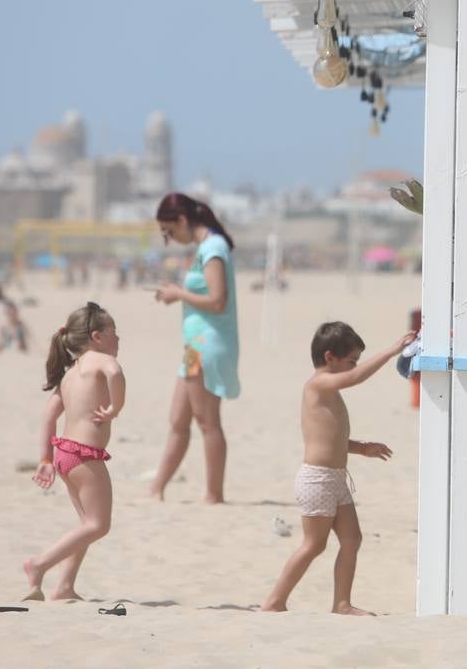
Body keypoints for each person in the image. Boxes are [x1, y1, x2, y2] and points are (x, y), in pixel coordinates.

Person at [262, 321, 414, 613]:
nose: (353, 366)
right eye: (350, 361)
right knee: (314, 545)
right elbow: (356, 377)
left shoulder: (331, 391)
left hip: (336, 479)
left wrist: (362, 448)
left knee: (352, 539)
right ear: (330, 357)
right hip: (316, 480)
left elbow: (332, 438)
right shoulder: (318, 384)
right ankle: (274, 601)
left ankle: (342, 603)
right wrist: (394, 349)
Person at [22, 302, 124, 601]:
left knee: (86, 525)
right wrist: (116, 408)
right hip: (84, 456)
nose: (118, 339)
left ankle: (65, 586)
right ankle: (38, 565)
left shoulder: (69, 374)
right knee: (98, 525)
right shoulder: (100, 361)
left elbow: (49, 417)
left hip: (64, 454)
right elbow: (116, 373)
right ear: (96, 336)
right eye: (113, 333)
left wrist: (45, 459)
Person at [150, 193, 240, 504]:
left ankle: (214, 494)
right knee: (178, 419)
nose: (170, 238)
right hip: (195, 345)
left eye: (169, 231)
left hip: (208, 345)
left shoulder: (214, 248)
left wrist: (178, 294)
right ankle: (156, 488)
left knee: (207, 420)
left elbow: (218, 300)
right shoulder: (205, 248)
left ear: (183, 221)